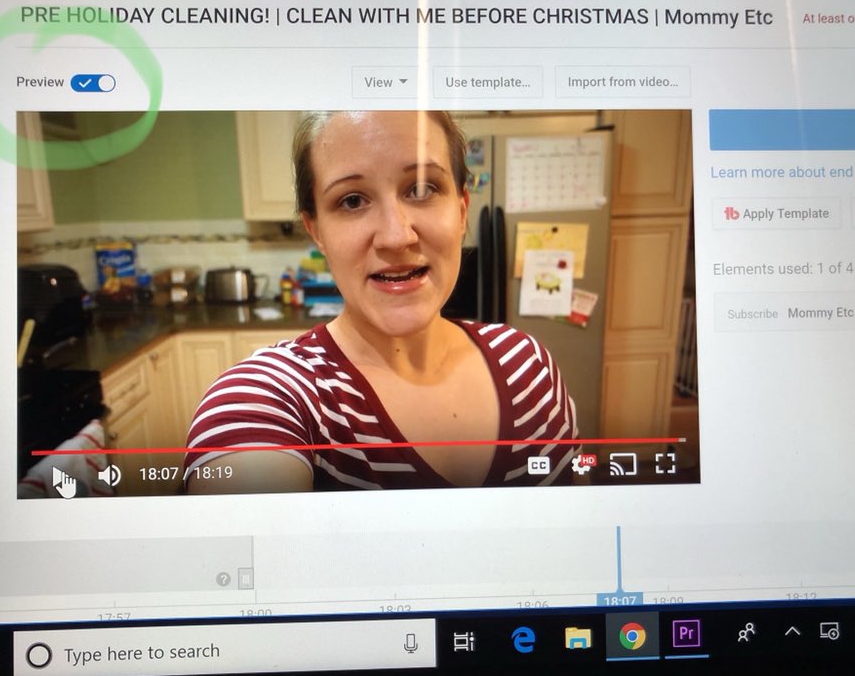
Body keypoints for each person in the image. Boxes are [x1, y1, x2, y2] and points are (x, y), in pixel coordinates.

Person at [184, 111, 578, 492]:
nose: (396, 236)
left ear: (461, 211)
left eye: (422, 189)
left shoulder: (528, 365)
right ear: (316, 230)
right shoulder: (272, 395)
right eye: (352, 200)